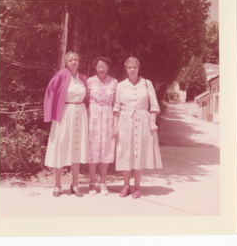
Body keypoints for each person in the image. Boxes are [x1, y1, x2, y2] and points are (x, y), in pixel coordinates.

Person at [113, 57, 162, 199]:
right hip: (125, 122)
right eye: (129, 67)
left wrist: (153, 122)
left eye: (135, 67)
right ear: (126, 69)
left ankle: (137, 187)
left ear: (138, 68)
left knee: (139, 153)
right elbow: (116, 107)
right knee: (125, 152)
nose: (132, 69)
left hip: (142, 122)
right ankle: (126, 185)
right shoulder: (121, 85)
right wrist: (115, 126)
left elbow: (154, 105)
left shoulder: (147, 84)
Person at [44, 51, 88, 197]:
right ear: (66, 62)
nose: (74, 62)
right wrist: (50, 114)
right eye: (71, 60)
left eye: (76, 60)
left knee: (77, 148)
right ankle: (57, 184)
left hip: (80, 114)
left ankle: (75, 184)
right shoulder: (60, 76)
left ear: (79, 61)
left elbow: (86, 98)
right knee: (61, 147)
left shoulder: (83, 78)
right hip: (64, 114)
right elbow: (50, 93)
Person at [87, 57, 118, 195]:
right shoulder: (89, 81)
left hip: (107, 116)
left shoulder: (114, 82)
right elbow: (85, 100)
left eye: (103, 66)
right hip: (92, 116)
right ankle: (92, 182)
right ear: (95, 68)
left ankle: (103, 182)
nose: (101, 69)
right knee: (92, 149)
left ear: (108, 67)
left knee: (105, 149)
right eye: (98, 66)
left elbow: (116, 103)